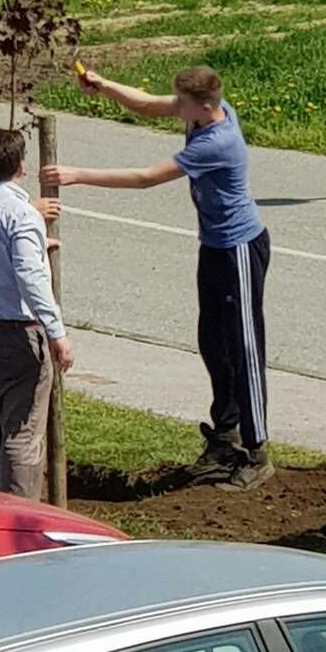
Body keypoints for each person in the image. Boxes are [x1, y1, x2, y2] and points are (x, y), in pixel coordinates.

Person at [42, 64, 273, 491]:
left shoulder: (217, 141)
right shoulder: (202, 113)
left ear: (204, 105)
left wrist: (77, 175)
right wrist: (105, 85)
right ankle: (225, 438)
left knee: (243, 347)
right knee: (213, 342)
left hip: (239, 249)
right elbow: (148, 105)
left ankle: (257, 452)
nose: (176, 109)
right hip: (214, 246)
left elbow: (146, 178)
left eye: (182, 103)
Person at [0, 128, 72, 499]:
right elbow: (30, 277)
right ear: (21, 166)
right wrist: (56, 332)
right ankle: (18, 514)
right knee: (21, 434)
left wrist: (36, 242)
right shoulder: (21, 214)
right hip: (15, 333)